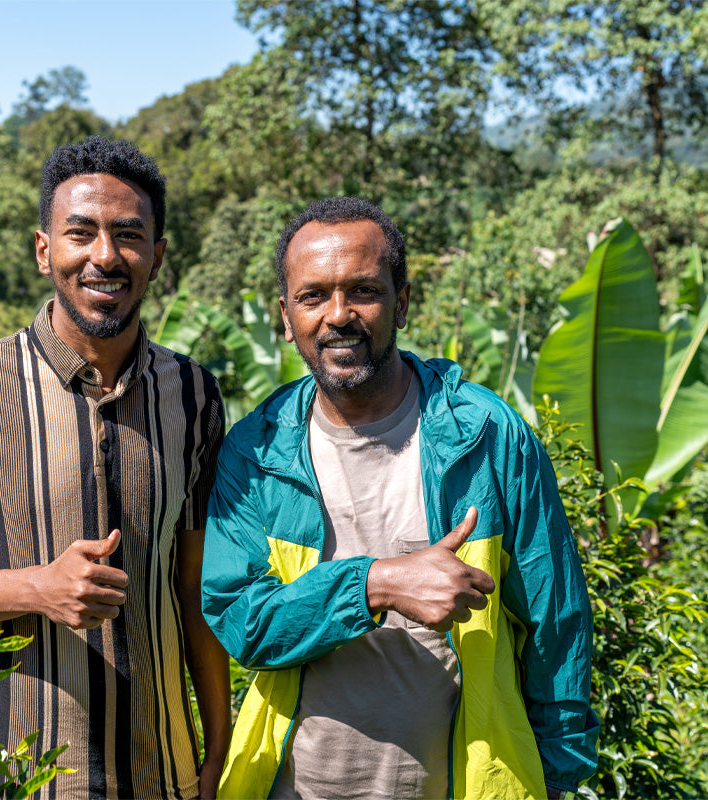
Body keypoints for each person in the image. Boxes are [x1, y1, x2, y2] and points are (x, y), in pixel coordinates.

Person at [201, 197, 598, 800]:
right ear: (286, 317)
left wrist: (561, 775)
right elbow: (244, 622)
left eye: (363, 290)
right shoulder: (254, 453)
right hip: (295, 786)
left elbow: (556, 623)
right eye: (313, 297)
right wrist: (375, 585)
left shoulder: (488, 436)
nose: (338, 315)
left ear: (402, 302)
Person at [0, 136, 231, 800]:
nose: (105, 255)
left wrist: (218, 746)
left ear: (157, 257)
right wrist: (38, 589)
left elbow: (196, 591)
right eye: (82, 233)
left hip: (164, 775)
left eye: (129, 236)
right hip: (9, 779)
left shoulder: (194, 396)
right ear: (45, 250)